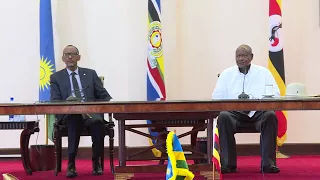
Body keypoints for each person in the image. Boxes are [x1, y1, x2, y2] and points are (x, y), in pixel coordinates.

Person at [212, 44, 280, 174]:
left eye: (244, 55)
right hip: (234, 114)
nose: (241, 59)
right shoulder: (227, 74)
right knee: (224, 116)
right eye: (238, 56)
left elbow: (275, 94)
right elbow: (216, 97)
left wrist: (254, 99)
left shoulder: (264, 73)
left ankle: (268, 164)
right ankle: (228, 164)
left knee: (270, 115)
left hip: (258, 113)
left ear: (251, 57)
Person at [50, 45, 112, 178]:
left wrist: (97, 110)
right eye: (67, 54)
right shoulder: (56, 77)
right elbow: (55, 101)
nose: (70, 57)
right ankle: (71, 163)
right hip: (69, 115)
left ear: (79, 57)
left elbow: (104, 96)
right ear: (63, 58)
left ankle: (96, 163)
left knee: (97, 122)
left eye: (73, 54)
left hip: (90, 113)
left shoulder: (90, 74)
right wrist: (68, 104)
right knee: (74, 118)